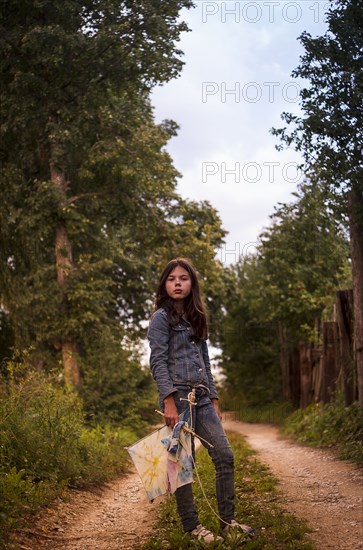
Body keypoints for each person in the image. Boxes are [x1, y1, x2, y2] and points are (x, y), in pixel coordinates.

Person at [147, 257, 255, 544]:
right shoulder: (160, 319)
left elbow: (205, 361)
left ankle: (227, 521)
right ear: (164, 284)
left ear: (191, 283)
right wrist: (169, 402)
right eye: (171, 279)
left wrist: (215, 398)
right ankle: (192, 527)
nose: (177, 283)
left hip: (203, 398)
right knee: (183, 465)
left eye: (183, 278)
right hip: (179, 399)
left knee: (224, 455)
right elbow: (157, 362)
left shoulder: (198, 317)